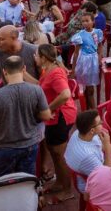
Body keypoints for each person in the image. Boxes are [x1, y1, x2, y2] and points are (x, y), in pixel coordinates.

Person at [0, 55, 51, 180]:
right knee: (26, 181)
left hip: (4, 146)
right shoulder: (36, 90)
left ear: (4, 71)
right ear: (24, 69)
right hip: (30, 144)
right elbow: (46, 115)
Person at [36, 44, 76, 204]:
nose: (34, 57)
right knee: (54, 151)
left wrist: (48, 108)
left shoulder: (55, 73)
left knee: (60, 155)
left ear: (44, 57)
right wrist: (22, 74)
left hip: (61, 116)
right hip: (53, 118)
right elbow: (40, 86)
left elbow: (65, 94)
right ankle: (60, 182)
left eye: (36, 55)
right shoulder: (48, 69)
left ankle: (67, 190)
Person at [64, 109, 111, 194]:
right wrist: (107, 145)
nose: (102, 123)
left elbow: (102, 147)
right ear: (92, 130)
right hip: (92, 187)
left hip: (98, 167)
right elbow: (107, 176)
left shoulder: (80, 132)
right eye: (100, 123)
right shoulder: (87, 156)